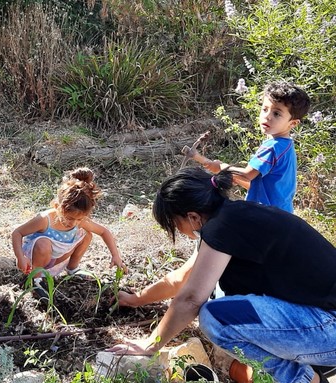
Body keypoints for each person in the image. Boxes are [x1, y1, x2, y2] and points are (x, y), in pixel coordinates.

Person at [107, 167, 336, 383]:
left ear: (193, 217)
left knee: (216, 317)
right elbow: (183, 279)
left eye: (176, 224)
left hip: (328, 327)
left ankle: (307, 379)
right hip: (320, 321)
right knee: (220, 297)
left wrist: (150, 344)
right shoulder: (235, 217)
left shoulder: (223, 226)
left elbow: (191, 298)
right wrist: (136, 299)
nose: (180, 231)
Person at [188, 81, 310, 213]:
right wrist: (230, 174)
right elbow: (259, 186)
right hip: (283, 214)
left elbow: (247, 175)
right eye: (265, 109)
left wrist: (221, 167)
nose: (267, 116)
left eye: (276, 114)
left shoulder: (272, 147)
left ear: (293, 123)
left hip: (266, 216)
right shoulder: (286, 146)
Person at [12, 167, 127, 290]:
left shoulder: (80, 220)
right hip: (36, 259)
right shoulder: (45, 219)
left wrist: (115, 255)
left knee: (87, 234)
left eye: (79, 219)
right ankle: (37, 279)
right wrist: (20, 258)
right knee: (43, 243)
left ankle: (72, 268)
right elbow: (17, 233)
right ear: (57, 207)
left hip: (58, 258)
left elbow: (104, 231)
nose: (74, 223)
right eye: (69, 218)